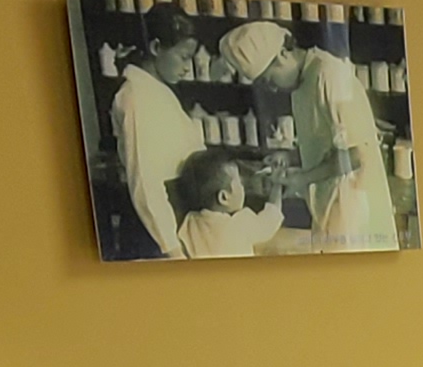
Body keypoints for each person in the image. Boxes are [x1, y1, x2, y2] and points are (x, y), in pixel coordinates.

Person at [220, 17, 402, 251]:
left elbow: (357, 153)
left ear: (282, 55)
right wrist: (291, 157)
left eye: (269, 79)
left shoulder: (330, 75)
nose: (272, 89)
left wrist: (302, 178)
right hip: (329, 205)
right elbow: (326, 143)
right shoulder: (301, 84)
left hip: (354, 208)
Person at [111, 14, 211, 258]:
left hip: (174, 211)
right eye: (184, 57)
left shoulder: (158, 91)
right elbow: (145, 181)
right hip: (154, 228)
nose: (188, 67)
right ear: (156, 47)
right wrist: (172, 248)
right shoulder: (135, 97)